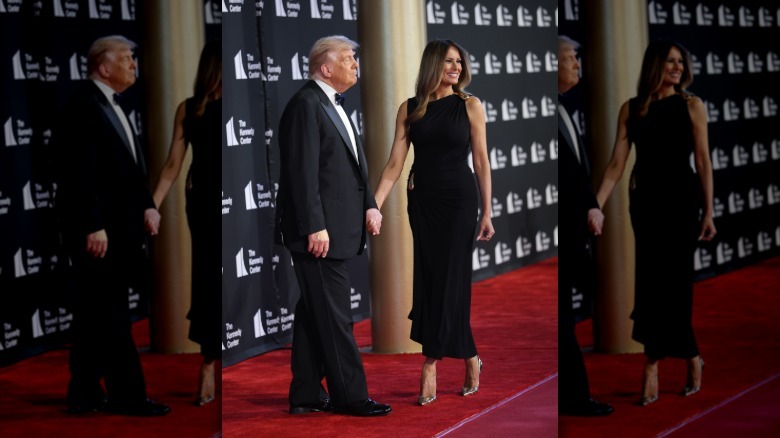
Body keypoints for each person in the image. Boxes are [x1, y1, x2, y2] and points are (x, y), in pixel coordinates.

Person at [372, 39, 494, 406]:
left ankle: (431, 363)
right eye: (448, 62)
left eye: (459, 62)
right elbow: (395, 163)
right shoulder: (410, 109)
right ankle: (471, 356)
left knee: (450, 280)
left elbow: (482, 161)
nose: (456, 68)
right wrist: (374, 205)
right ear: (432, 67)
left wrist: (487, 212)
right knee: (430, 279)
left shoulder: (469, 106)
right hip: (422, 203)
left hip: (459, 202)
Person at [595, 40, 716, 406]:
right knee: (650, 285)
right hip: (645, 205)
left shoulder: (691, 106)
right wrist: (595, 205)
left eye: (681, 62)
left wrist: (709, 211)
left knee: (677, 286)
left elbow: (703, 161)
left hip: (681, 205)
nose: (677, 68)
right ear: (654, 66)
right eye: (669, 62)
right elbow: (617, 163)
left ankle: (680, 358)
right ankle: (656, 360)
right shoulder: (632, 109)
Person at [275, 35, 391, 417]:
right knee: (336, 317)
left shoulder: (331, 104)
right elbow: (302, 174)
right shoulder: (306, 104)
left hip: (338, 230)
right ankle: (350, 396)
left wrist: (370, 205)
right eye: (348, 58)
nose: (355, 63)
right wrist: (314, 226)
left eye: (355, 57)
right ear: (326, 68)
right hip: (318, 234)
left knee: (315, 314)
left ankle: (306, 394)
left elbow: (350, 169)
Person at [54, 35, 170, 416]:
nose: (134, 64)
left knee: (94, 313)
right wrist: (92, 224)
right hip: (99, 233)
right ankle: (128, 396)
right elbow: (77, 171)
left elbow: (130, 170)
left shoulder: (113, 105)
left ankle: (83, 393)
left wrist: (149, 206)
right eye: (126, 59)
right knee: (113, 315)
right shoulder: (82, 105)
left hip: (120, 230)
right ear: (104, 67)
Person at [152, 39, 221, 406]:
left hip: (239, 204)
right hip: (204, 204)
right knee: (208, 281)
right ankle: (208, 363)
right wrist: (152, 205)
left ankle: (233, 361)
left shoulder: (241, 105)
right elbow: (172, 165)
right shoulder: (189, 109)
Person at [556, 36, 614, 417]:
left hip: (576, 232)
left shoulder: (562, 108)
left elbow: (576, 173)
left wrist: (593, 204)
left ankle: (573, 396)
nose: (578, 63)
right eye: (571, 57)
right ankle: (574, 398)